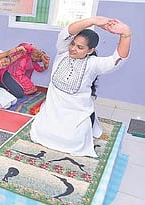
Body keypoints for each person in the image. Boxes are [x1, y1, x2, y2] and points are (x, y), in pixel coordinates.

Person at [30, 16, 131, 157]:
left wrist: (125, 33)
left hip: (76, 114)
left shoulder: (93, 64)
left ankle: (88, 123)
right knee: (41, 133)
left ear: (90, 50)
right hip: (53, 112)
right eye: (73, 44)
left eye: (80, 47)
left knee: (72, 141)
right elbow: (67, 32)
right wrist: (93, 21)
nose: (73, 49)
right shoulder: (62, 52)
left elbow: (117, 59)